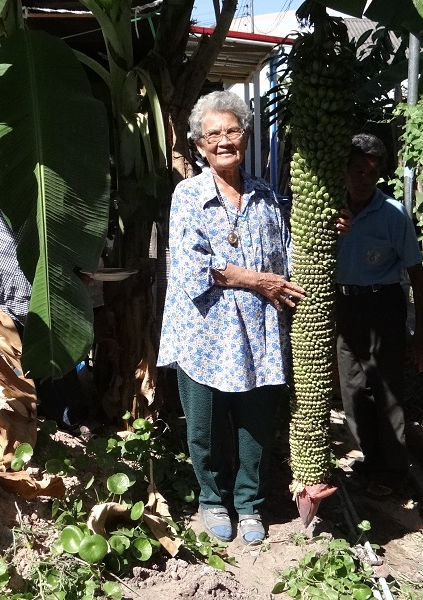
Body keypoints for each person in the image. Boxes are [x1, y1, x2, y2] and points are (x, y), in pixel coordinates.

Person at [157, 91, 305, 546]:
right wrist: (258, 281)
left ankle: (249, 503)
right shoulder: (188, 195)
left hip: (258, 333)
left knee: (255, 427)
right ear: (200, 146)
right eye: (213, 134)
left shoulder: (264, 196)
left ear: (245, 136)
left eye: (233, 131)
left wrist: (326, 236)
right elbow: (193, 266)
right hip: (204, 334)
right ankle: (211, 499)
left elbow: (289, 257)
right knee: (203, 426)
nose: (224, 141)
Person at [335, 133, 423, 497]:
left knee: (387, 388)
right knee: (353, 387)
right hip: (347, 305)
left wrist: (420, 334)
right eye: (357, 169)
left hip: (383, 304)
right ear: (345, 170)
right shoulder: (332, 211)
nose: (363, 178)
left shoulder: (392, 215)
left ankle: (393, 471)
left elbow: (417, 277)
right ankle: (370, 458)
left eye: (371, 173)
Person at [0, 197, 98, 432]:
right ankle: (68, 418)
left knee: (26, 347)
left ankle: (47, 412)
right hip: (8, 269)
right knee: (47, 346)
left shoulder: (18, 183)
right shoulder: (41, 195)